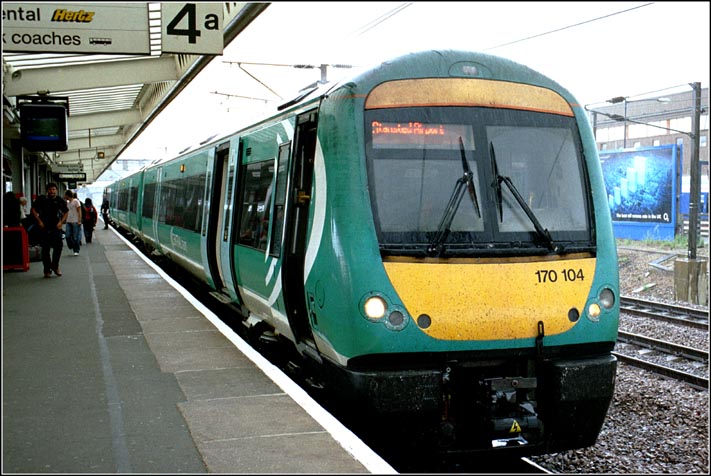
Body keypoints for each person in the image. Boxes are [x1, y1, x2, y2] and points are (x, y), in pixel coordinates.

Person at [31, 183, 68, 278]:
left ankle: (55, 266)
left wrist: (61, 222)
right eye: (50, 189)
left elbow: (66, 212)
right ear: (47, 190)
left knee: (58, 247)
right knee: (45, 249)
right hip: (44, 227)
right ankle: (47, 270)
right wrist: (39, 221)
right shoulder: (42, 199)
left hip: (56, 227)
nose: (52, 191)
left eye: (53, 189)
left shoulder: (59, 200)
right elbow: (33, 210)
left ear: (56, 190)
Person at [64, 189, 82, 256]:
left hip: (75, 221)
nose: (64, 196)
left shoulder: (76, 201)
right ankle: (71, 246)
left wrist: (79, 220)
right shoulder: (67, 203)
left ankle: (76, 250)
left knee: (75, 237)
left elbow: (79, 211)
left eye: (65, 195)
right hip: (68, 221)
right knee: (67, 236)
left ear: (67, 195)